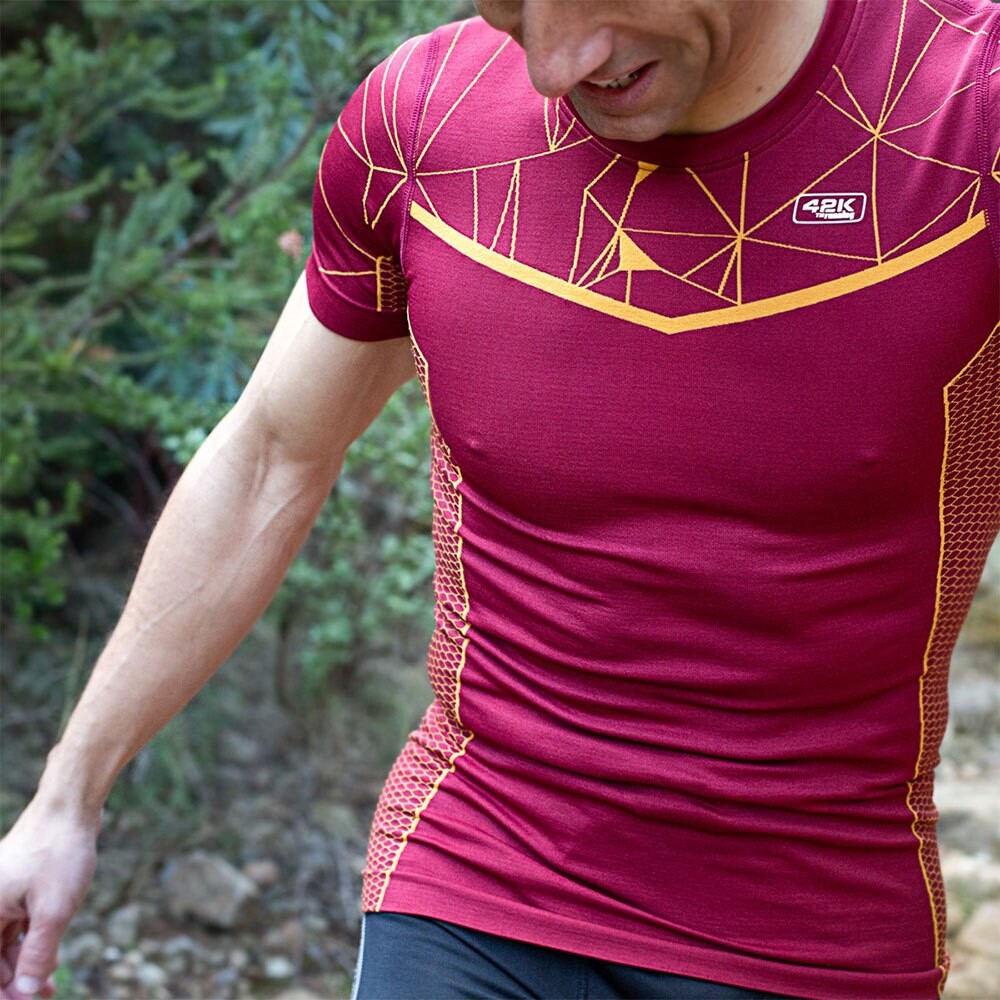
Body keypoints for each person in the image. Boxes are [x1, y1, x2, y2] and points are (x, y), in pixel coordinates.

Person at [2, 0, 998, 997]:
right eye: (511, 8)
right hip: (473, 878)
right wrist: (67, 796)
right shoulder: (428, 120)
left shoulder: (967, 112)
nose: (554, 68)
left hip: (815, 928)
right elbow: (271, 455)